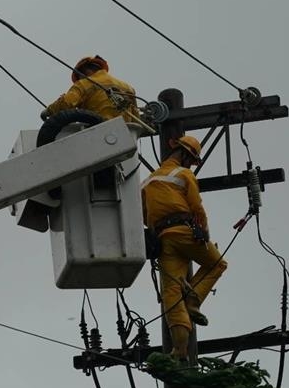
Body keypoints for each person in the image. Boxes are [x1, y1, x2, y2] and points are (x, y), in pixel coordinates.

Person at [140, 135, 228, 360]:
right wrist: (204, 231)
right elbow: (196, 207)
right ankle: (194, 299)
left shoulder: (147, 181)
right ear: (185, 155)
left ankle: (179, 349)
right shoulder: (184, 174)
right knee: (217, 264)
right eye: (191, 159)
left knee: (171, 291)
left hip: (163, 240)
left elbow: (142, 214)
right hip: (185, 232)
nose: (190, 164)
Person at [40, 55, 140, 124]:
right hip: (126, 134)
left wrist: (49, 111)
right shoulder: (127, 87)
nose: (79, 79)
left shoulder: (84, 83)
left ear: (84, 71)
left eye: (79, 77)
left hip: (100, 130)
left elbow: (67, 102)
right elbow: (136, 119)